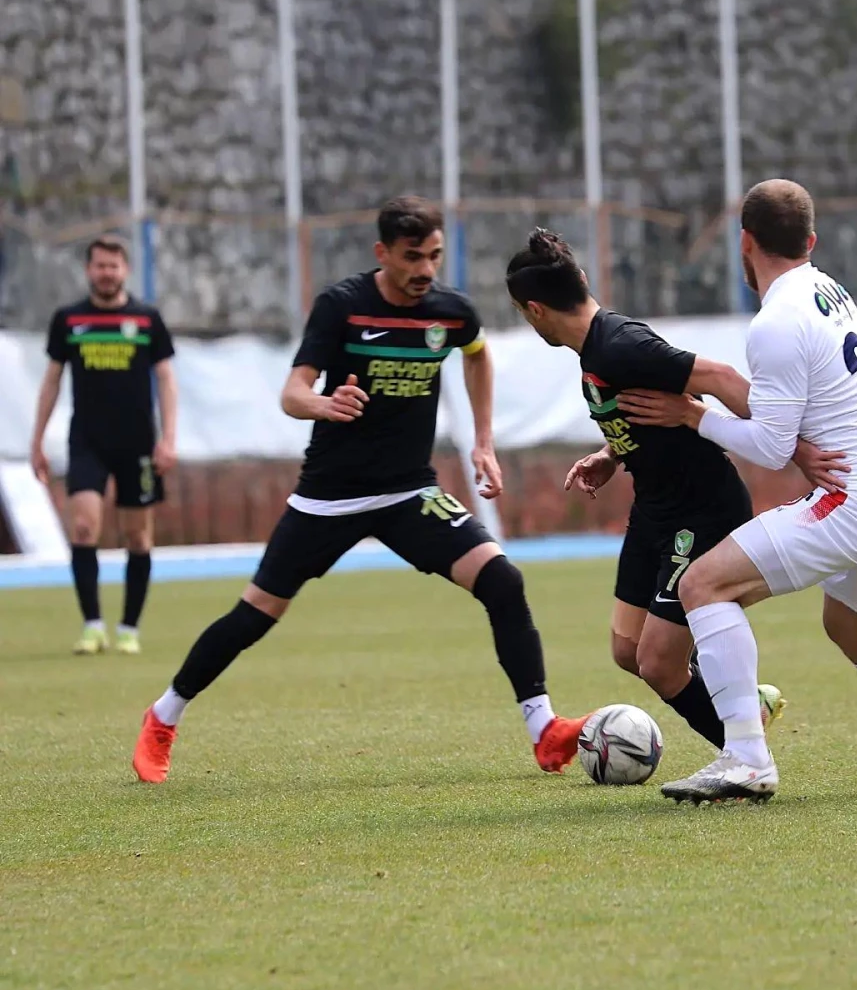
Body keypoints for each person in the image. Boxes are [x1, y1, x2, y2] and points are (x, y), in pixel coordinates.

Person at [131, 197, 589, 783]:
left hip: (408, 493)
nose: (425, 268)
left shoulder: (451, 312)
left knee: (502, 578)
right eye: (411, 257)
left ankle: (544, 730)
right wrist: (324, 403)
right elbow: (291, 392)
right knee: (256, 615)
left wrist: (481, 442)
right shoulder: (342, 307)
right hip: (329, 498)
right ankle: (163, 716)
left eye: (434, 255)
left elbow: (476, 355)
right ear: (382, 253)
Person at [619, 180, 857, 804]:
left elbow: (770, 448)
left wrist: (693, 416)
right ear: (811, 241)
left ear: (744, 243)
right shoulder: (830, 291)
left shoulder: (776, 320)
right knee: (852, 629)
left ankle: (746, 759)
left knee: (701, 584)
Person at [505, 230, 850, 752]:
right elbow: (646, 413)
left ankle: (742, 754)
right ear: (579, 280)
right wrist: (611, 455)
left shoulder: (621, 345)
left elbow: (720, 376)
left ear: (533, 310)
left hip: (702, 509)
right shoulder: (595, 350)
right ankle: (740, 699)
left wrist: (797, 451)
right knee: (627, 650)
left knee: (658, 663)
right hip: (655, 509)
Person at [29, 236, 178, 655]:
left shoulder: (147, 320)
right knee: (83, 527)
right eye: (99, 266)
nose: (106, 273)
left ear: (125, 270)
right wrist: (37, 440)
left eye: (114, 266)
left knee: (137, 536)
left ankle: (129, 628)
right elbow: (52, 380)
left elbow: (166, 380)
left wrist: (169, 438)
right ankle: (92, 625)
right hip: (87, 441)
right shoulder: (69, 320)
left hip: (138, 443)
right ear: (88, 269)